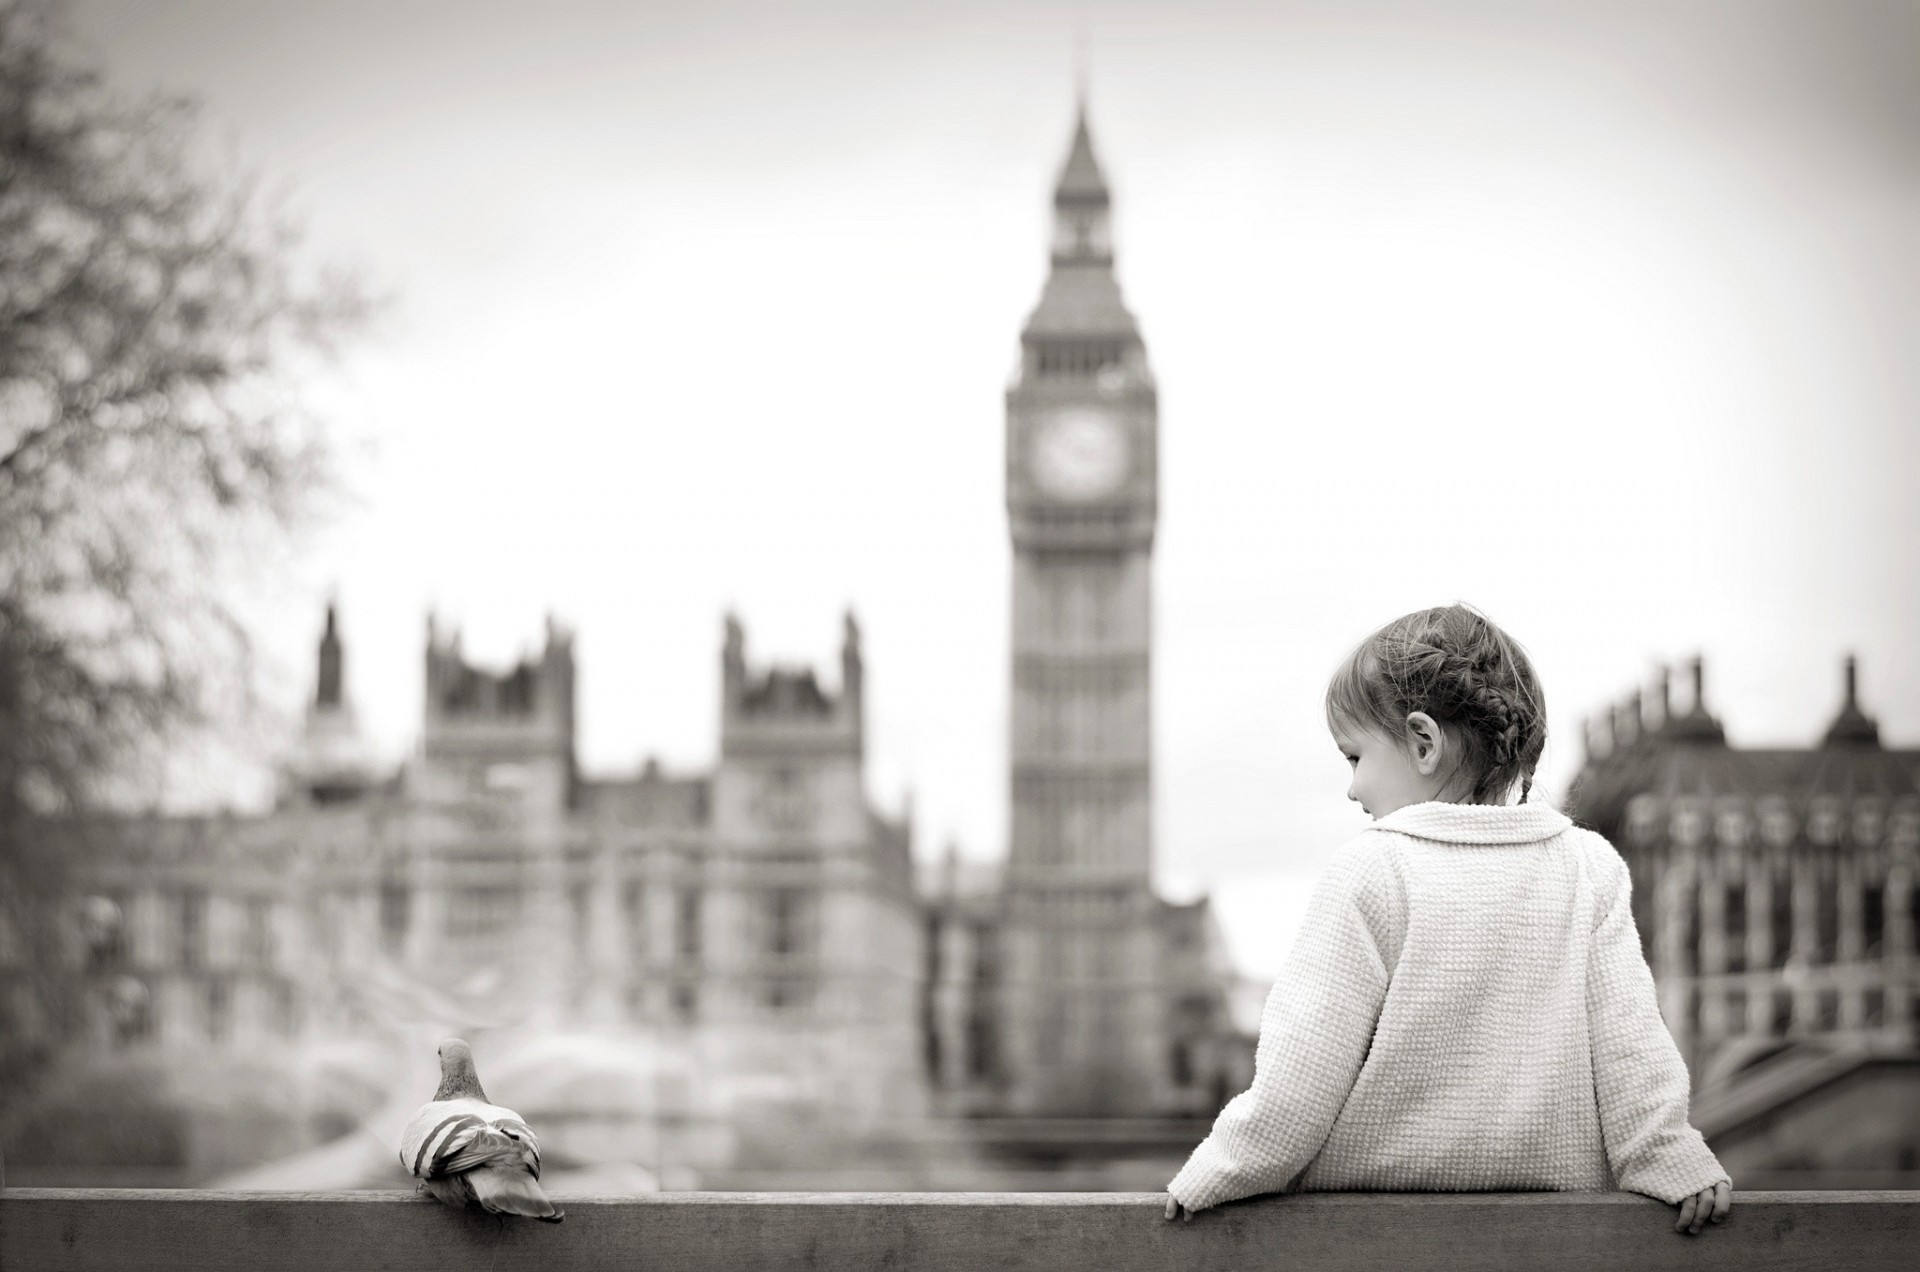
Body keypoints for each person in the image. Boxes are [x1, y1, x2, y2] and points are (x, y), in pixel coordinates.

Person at [1164, 604, 1731, 1235]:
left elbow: (1302, 1077)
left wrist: (1222, 1169)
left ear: (1423, 742)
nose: (1352, 790)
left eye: (1354, 759)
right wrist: (1668, 1156)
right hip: (1552, 1238)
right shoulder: (1590, 868)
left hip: (1376, 1236)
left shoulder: (1371, 871)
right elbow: (1631, 1048)